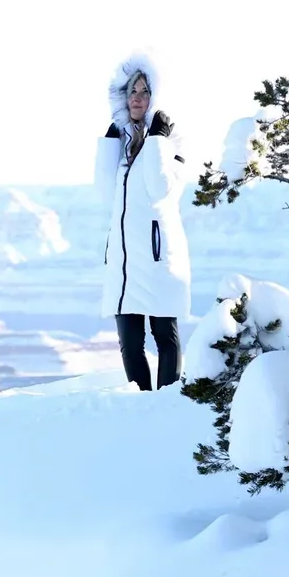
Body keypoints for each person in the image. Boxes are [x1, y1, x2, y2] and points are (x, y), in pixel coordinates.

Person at [94, 51, 191, 391]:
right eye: (132, 92)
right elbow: (107, 196)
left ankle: (165, 404)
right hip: (124, 261)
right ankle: (138, 407)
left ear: (154, 97)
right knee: (130, 344)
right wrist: (109, 143)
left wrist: (156, 141)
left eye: (144, 92)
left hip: (157, 257)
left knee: (165, 336)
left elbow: (158, 188)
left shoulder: (170, 141)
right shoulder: (121, 144)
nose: (137, 99)